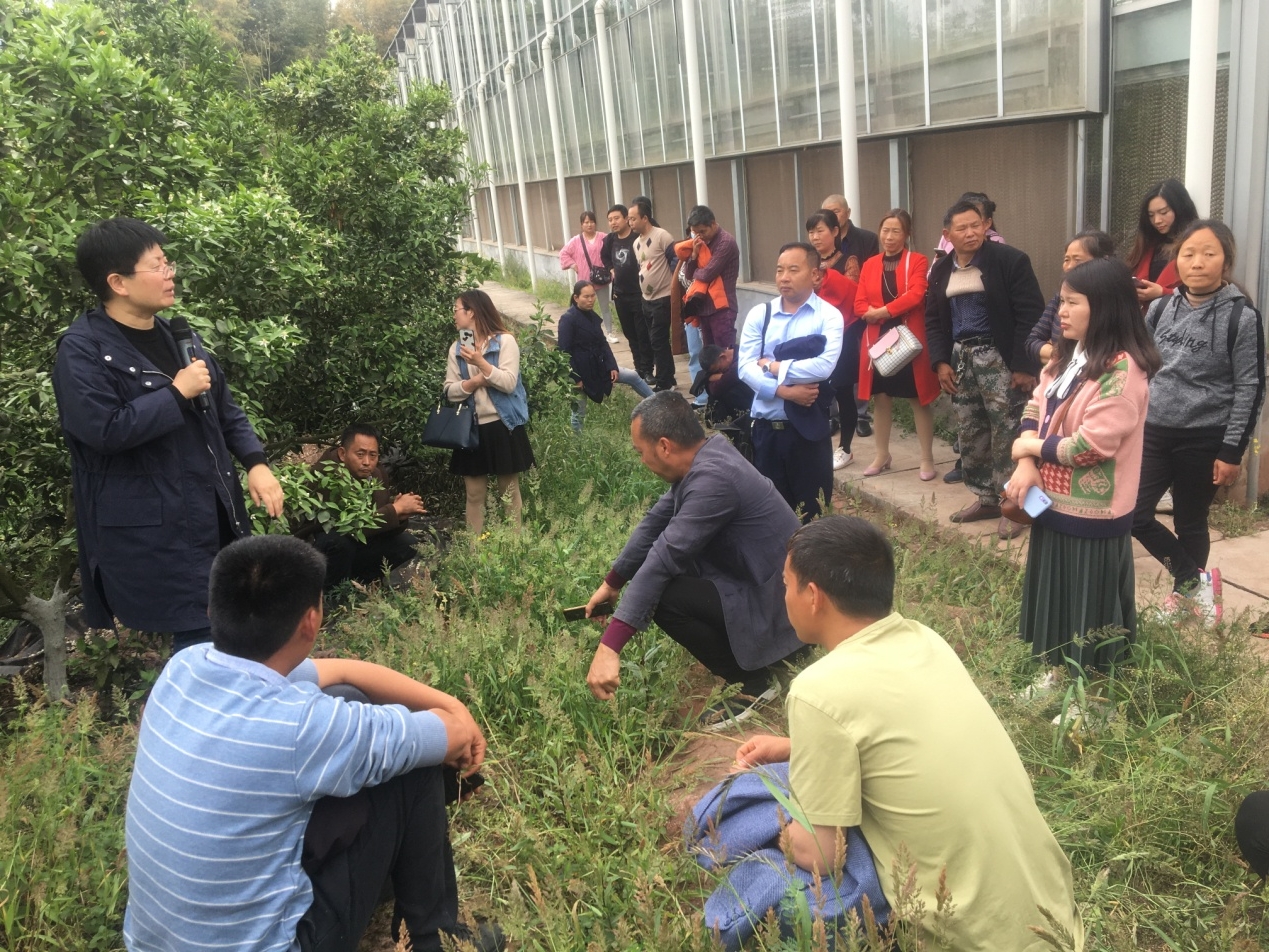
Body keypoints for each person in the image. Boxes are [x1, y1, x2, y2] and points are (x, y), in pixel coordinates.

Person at [123, 535, 500, 952]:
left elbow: (340, 672)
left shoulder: (184, 667)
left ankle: (396, 874)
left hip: (154, 944)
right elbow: (448, 736)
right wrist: (456, 717)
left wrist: (450, 704)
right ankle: (440, 942)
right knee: (416, 767)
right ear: (311, 620)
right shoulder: (302, 727)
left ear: (213, 610)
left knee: (349, 697)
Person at [732, 515, 1084, 951]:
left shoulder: (816, 691)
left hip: (967, 939)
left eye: (786, 584)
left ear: (813, 596)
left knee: (754, 808)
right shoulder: (925, 639)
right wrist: (795, 748)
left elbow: (822, 856)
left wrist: (765, 824)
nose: (783, 596)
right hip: (1053, 922)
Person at [52, 217, 284, 654]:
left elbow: (225, 410)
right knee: (200, 642)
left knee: (236, 630)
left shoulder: (181, 336)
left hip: (214, 512)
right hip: (158, 531)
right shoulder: (82, 350)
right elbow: (104, 430)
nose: (169, 273)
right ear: (118, 282)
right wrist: (176, 393)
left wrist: (256, 462)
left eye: (168, 262)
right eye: (157, 265)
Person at [583, 392, 805, 730]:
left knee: (665, 596)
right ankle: (758, 659)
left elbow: (662, 559)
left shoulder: (714, 480)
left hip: (784, 611)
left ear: (664, 446)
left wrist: (609, 648)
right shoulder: (709, 456)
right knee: (677, 571)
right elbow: (654, 524)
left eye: (640, 452)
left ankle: (754, 682)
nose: (641, 460)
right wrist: (612, 583)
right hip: (772, 588)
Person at [1007, 259, 1161, 691]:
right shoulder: (1068, 355)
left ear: (1106, 306)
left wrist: (1029, 448)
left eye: (1073, 302)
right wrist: (1026, 460)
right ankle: (1056, 672)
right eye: (1061, 301)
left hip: (1094, 512)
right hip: (1051, 501)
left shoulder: (1123, 371)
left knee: (1090, 608)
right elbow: (1036, 404)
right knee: (1055, 595)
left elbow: (1091, 447)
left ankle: (1093, 694)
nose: (1061, 311)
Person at [1132, 220, 1266, 620]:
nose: (1197, 262)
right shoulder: (1160, 308)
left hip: (1205, 436)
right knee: (1135, 514)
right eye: (1188, 253)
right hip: (1154, 431)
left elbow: (1250, 387)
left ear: (1226, 261)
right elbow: (1138, 364)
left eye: (1209, 253)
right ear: (1177, 259)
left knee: (1191, 520)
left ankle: (1186, 596)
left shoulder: (1241, 317)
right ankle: (1195, 580)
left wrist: (1232, 451)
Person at [925, 200, 1044, 540]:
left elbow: (1030, 314)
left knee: (1010, 431)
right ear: (947, 234)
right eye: (961, 228)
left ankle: (1019, 505)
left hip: (1000, 358)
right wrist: (941, 362)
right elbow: (933, 320)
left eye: (976, 225)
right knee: (971, 431)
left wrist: (1024, 365)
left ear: (986, 225)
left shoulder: (1010, 261)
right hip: (961, 361)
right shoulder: (941, 269)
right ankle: (987, 499)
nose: (970, 233)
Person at [738, 243, 844, 522]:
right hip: (766, 432)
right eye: (779, 270)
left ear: (815, 275)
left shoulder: (828, 316)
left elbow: (823, 367)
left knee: (813, 517)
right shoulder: (760, 315)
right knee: (769, 518)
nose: (784, 277)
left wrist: (772, 366)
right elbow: (745, 367)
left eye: (793, 270)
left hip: (808, 432)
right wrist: (784, 391)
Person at [853, 209, 939, 480]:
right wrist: (874, 313)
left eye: (896, 231)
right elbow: (859, 302)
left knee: (917, 398)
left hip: (908, 338)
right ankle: (882, 454)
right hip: (879, 339)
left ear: (907, 234)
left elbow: (917, 294)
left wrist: (881, 311)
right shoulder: (870, 264)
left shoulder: (918, 260)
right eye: (885, 230)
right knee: (881, 397)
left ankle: (927, 458)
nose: (889, 237)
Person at [444, 289, 535, 533]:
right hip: (471, 427)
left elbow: (508, 382)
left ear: (471, 312)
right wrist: (474, 382)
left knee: (509, 492)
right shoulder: (457, 348)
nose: (454, 315)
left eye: (456, 309)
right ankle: (475, 549)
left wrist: (480, 363)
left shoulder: (504, 342)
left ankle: (514, 544)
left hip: (503, 425)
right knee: (474, 494)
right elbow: (450, 391)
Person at [299, 424, 425, 588]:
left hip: (357, 541)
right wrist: (394, 510)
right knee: (338, 542)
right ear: (342, 454)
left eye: (373, 455)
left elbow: (378, 522)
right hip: (316, 548)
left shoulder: (376, 474)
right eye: (360, 454)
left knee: (406, 543)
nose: (367, 462)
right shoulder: (327, 475)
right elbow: (351, 525)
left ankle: (358, 585)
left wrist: (400, 516)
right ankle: (330, 591)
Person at [805, 209, 862, 469]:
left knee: (843, 392)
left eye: (820, 231)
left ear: (835, 231)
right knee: (816, 390)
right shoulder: (807, 262)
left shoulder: (848, 261)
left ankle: (845, 448)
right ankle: (817, 444)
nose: (815, 237)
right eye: (811, 232)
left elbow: (852, 295)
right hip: (813, 335)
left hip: (844, 334)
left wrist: (826, 281)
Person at [558, 280, 653, 432]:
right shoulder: (568, 320)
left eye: (593, 296)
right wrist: (575, 378)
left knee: (633, 376)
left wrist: (612, 366)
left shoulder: (591, 316)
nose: (591, 300)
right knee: (579, 411)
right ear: (576, 298)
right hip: (580, 371)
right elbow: (564, 351)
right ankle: (577, 442)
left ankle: (660, 403)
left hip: (599, 366)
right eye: (586, 297)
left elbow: (603, 343)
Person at [1025, 230, 1117, 367]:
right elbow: (1032, 341)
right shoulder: (1060, 296)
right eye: (1066, 260)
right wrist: (1062, 356)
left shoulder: (1112, 302)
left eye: (1078, 260)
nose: (1069, 267)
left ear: (1102, 261)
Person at [1124, 178, 1199, 311]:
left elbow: (1205, 294)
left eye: (1164, 212)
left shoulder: (1198, 245)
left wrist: (1162, 293)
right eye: (1151, 215)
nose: (1157, 220)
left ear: (1180, 210)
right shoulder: (1146, 246)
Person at [602, 204, 654, 383]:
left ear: (626, 219)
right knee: (630, 334)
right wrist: (610, 269)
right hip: (620, 294)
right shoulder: (610, 240)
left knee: (642, 333)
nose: (613, 222)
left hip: (638, 294)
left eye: (616, 218)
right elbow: (604, 256)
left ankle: (647, 370)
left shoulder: (636, 238)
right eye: (610, 220)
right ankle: (638, 368)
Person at [629, 197, 677, 391]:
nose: (630, 223)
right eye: (629, 219)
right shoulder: (636, 243)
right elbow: (642, 267)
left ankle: (664, 382)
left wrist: (675, 289)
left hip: (663, 297)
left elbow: (676, 262)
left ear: (645, 218)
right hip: (646, 299)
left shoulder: (662, 236)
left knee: (658, 340)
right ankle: (669, 377)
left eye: (633, 219)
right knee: (654, 340)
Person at [676, 205, 740, 349]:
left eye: (702, 231)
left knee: (724, 354)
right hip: (704, 308)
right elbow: (688, 274)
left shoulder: (726, 242)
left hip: (722, 309)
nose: (700, 236)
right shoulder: (700, 243)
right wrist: (694, 255)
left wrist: (696, 272)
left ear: (713, 224)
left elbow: (706, 274)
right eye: (695, 233)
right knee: (709, 356)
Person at [559, 209, 618, 343]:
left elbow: (613, 251)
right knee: (583, 307)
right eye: (586, 222)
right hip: (584, 281)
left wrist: (611, 268)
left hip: (601, 279)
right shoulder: (576, 241)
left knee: (605, 307)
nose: (589, 225)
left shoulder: (604, 237)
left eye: (591, 222)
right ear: (581, 224)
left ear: (595, 223)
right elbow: (563, 253)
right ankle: (584, 332)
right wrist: (572, 264)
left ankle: (609, 333)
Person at [820, 193, 879, 281]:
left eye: (836, 212)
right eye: (828, 213)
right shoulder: (819, 241)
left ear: (848, 213)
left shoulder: (868, 239)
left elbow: (872, 275)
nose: (832, 217)